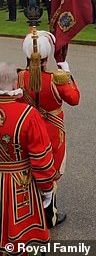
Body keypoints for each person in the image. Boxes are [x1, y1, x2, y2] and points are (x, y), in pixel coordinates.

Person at [17, 29, 80, 228]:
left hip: (28, 128)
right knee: (49, 172)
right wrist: (67, 73)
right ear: (45, 58)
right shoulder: (56, 79)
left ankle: (30, 210)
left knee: (30, 169)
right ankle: (48, 217)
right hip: (52, 132)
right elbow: (75, 99)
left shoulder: (19, 77)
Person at [0, 62, 56, 252]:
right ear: (15, 85)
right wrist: (47, 188)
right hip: (19, 183)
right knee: (19, 241)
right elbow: (41, 159)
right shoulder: (28, 114)